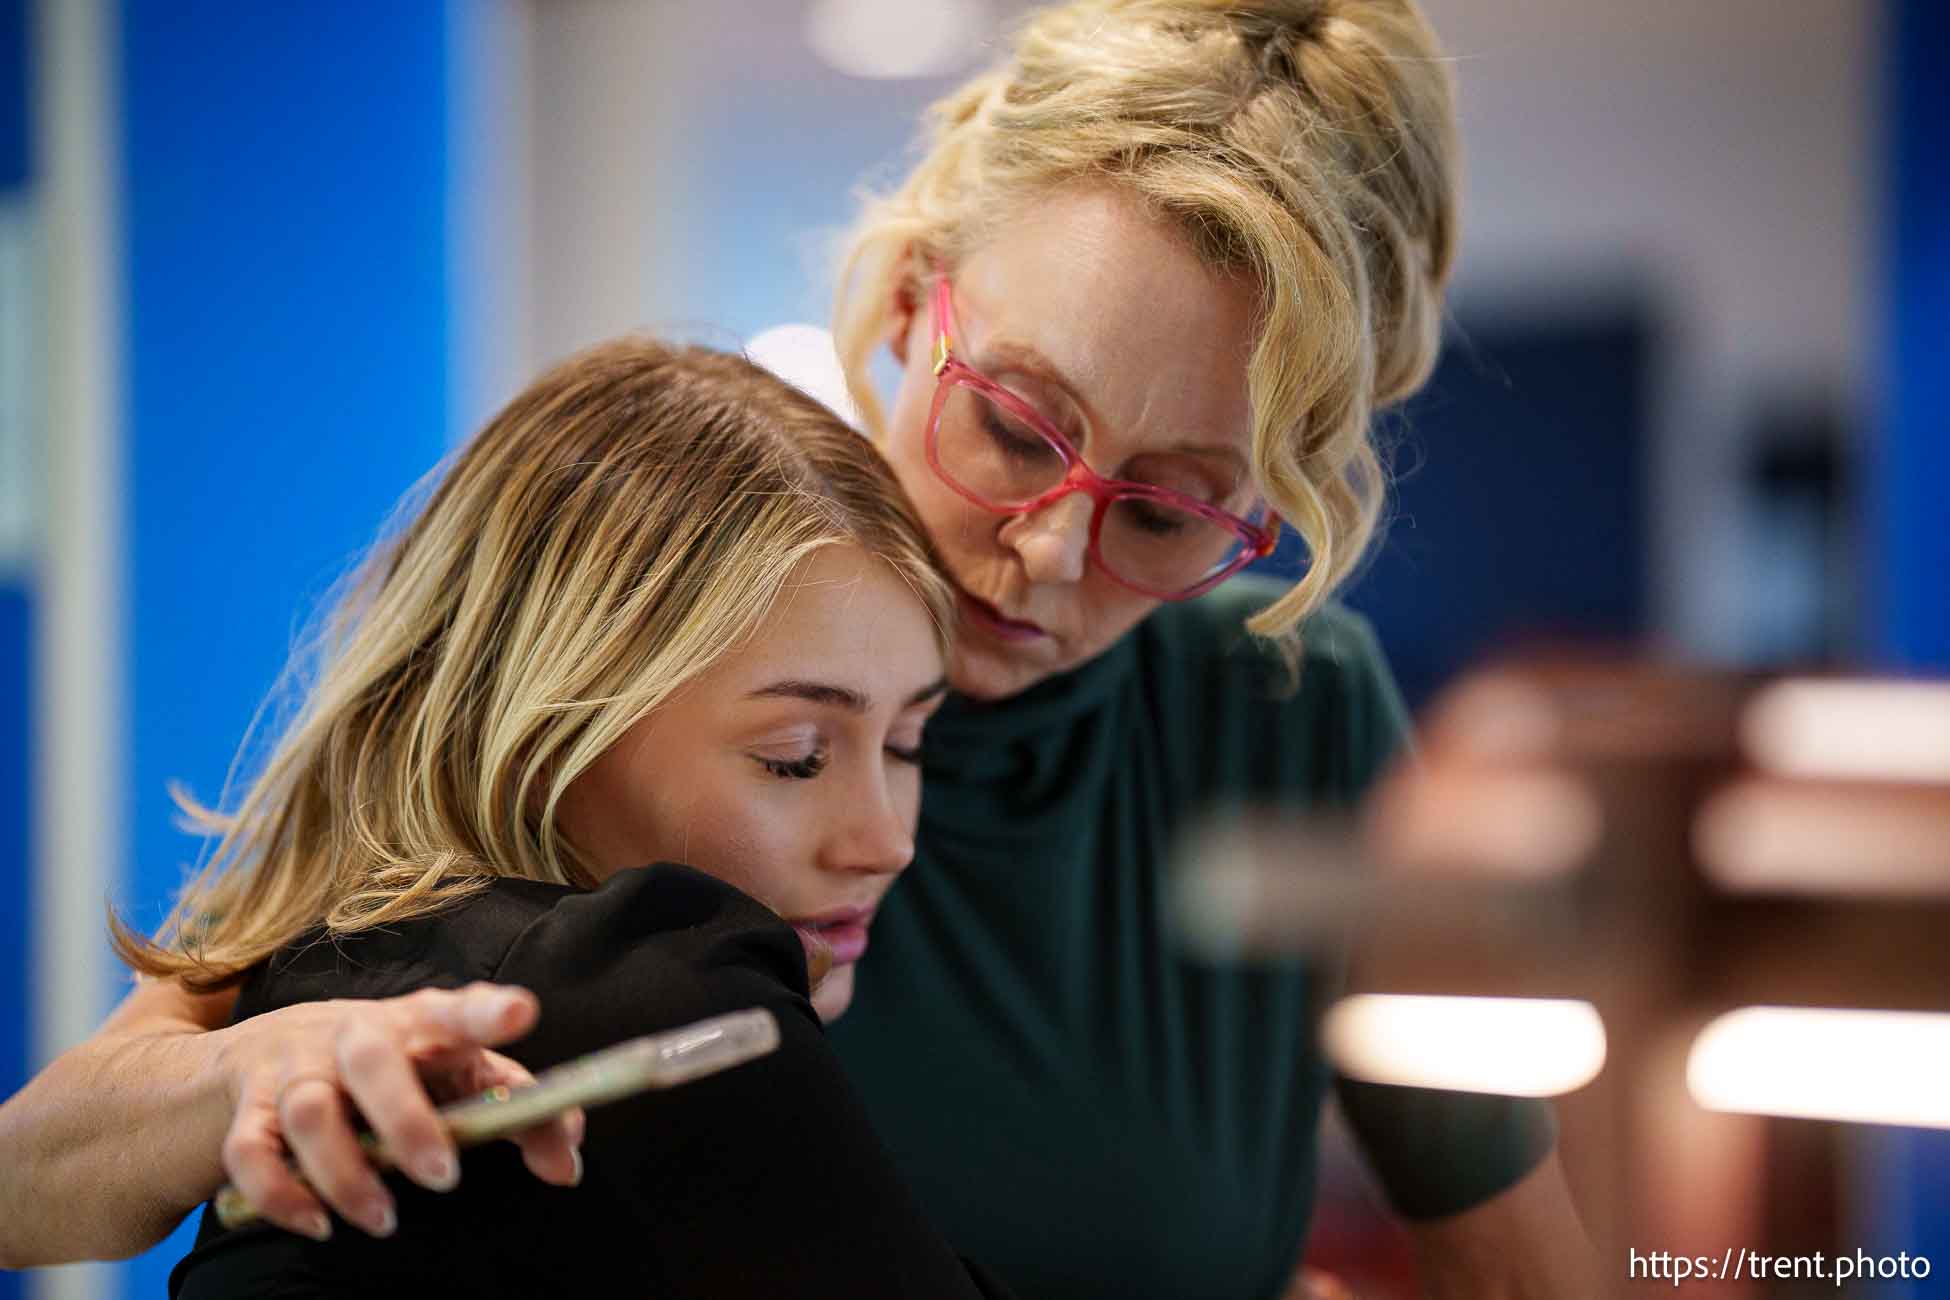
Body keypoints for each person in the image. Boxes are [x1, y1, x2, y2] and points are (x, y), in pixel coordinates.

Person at [0, 1, 1597, 1295]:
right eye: (1015, 425)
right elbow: (33, 1181)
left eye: (1170, 512)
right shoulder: (669, 611)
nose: (1046, 550)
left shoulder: (1295, 719)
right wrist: (249, 1081)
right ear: (914, 301)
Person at [56, 337, 1012, 1298]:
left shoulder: (332, 958)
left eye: (907, 744)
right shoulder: (656, 987)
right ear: (553, 729)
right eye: (794, 757)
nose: (888, 841)